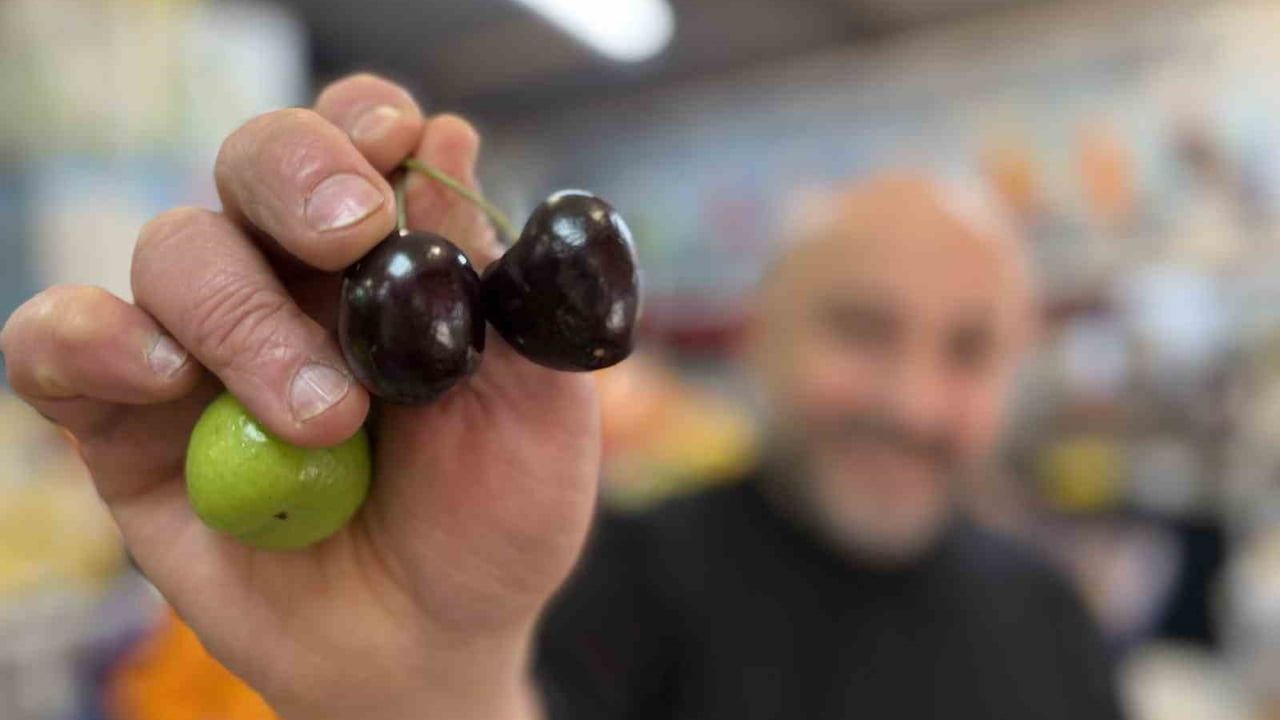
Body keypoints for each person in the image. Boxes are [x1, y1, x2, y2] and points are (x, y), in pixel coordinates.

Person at [0, 74, 1121, 720]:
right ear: (761, 332)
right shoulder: (592, 577)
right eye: (862, 329)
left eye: (969, 349)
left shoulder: (1054, 619)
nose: (914, 401)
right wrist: (424, 693)